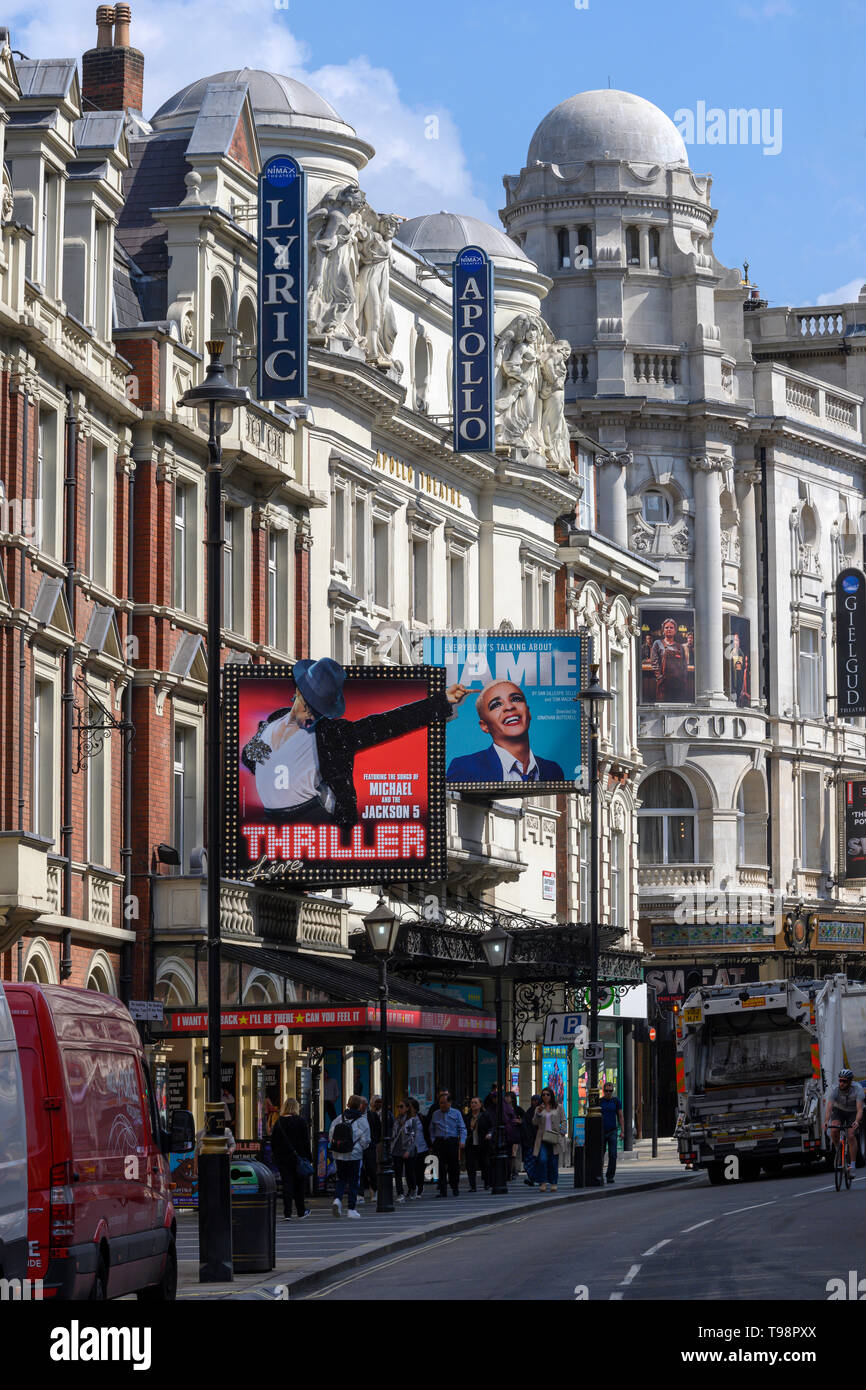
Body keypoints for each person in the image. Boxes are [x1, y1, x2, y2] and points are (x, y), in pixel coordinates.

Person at [241, 657, 468, 829]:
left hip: (309, 820)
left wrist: (441, 702)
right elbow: (249, 759)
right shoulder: (273, 720)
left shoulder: (330, 733)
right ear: (298, 692)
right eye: (309, 706)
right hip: (270, 822)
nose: (312, 716)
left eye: (320, 711)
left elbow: (387, 723)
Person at [446, 681, 566, 784]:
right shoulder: (465, 768)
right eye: (496, 705)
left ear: (528, 713)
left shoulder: (553, 770)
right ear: (485, 726)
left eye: (516, 699)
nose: (509, 707)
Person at [328, 1094, 370, 1219]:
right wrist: (361, 1148)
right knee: (353, 1181)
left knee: (341, 1179)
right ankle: (351, 1209)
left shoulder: (339, 1119)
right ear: (360, 1106)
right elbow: (366, 1140)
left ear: (347, 1105)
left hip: (339, 1154)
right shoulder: (362, 1121)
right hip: (354, 1154)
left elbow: (331, 1134)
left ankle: (337, 1199)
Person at [270, 1097, 312, 1220]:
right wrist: (308, 1158)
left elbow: (274, 1143)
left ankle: (287, 1213)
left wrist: (277, 1156)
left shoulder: (278, 1122)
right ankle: (301, 1211)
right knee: (299, 1185)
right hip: (299, 1158)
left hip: (283, 1159)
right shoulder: (301, 1121)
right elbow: (305, 1141)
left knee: (287, 1185)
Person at [824, 1067, 864, 1176]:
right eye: (840, 1080)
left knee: (851, 1135)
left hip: (853, 1112)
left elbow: (860, 1109)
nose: (841, 1083)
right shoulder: (835, 1089)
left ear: (850, 1082)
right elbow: (829, 1107)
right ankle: (838, 1152)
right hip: (839, 1111)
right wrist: (826, 1121)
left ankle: (853, 1165)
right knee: (834, 1128)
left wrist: (856, 1121)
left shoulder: (858, 1089)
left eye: (844, 1081)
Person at [429, 1091, 466, 1197]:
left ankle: (455, 1187)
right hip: (440, 1142)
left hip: (452, 1141)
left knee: (453, 1166)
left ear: (450, 1103)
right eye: (441, 1103)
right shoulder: (435, 1114)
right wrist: (433, 1140)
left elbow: (462, 1128)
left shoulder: (456, 1113)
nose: (443, 1105)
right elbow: (431, 1129)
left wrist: (462, 1141)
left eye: (444, 1103)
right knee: (440, 1167)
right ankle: (442, 1190)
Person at [532, 1086, 566, 1191]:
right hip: (542, 1138)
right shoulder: (538, 1108)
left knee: (553, 1162)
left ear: (551, 1096)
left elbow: (564, 1121)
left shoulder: (558, 1107)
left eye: (548, 1094)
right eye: (543, 1095)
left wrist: (562, 1131)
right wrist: (538, 1113)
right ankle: (543, 1182)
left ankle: (553, 1183)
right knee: (542, 1160)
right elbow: (534, 1122)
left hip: (554, 1137)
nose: (546, 1096)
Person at [649, 618, 691, 703]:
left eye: (671, 628)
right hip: (663, 683)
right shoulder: (657, 643)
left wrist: (684, 680)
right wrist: (659, 677)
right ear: (663, 630)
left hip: (678, 684)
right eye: (666, 627)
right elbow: (654, 662)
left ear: (675, 631)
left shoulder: (680, 647)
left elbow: (684, 666)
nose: (669, 629)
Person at [392, 1099, 423, 1201]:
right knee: (398, 1172)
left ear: (407, 1108)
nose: (399, 1109)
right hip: (397, 1149)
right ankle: (400, 1193)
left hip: (408, 1149)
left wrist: (408, 1150)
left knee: (410, 1172)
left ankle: (413, 1188)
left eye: (401, 1106)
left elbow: (414, 1137)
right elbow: (394, 1134)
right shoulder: (397, 1120)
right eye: (398, 1106)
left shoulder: (412, 1120)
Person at [464, 1097, 492, 1191]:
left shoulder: (485, 1115)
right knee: (470, 1165)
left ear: (480, 1104)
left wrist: (489, 1134)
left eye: (475, 1103)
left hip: (483, 1143)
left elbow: (491, 1127)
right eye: (472, 1103)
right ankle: (473, 1186)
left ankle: (487, 1183)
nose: (473, 1104)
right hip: (471, 1144)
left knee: (485, 1164)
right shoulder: (467, 1116)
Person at [600, 1082, 625, 1184]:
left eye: (610, 1091)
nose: (608, 1093)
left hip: (612, 1131)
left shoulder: (616, 1101)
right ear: (603, 1091)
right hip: (601, 1131)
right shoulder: (599, 1101)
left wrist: (622, 1131)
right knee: (600, 1154)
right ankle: (599, 1175)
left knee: (613, 1155)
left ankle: (610, 1176)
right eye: (606, 1091)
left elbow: (620, 1116)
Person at [407, 1098, 428, 1198]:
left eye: (409, 1107)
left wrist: (430, 1145)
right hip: (408, 1148)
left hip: (421, 1146)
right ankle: (411, 1187)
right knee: (409, 1169)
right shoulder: (404, 1118)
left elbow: (427, 1131)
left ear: (415, 1108)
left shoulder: (421, 1118)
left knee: (419, 1169)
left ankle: (420, 1186)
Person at [522, 1095, 541, 1186]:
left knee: (538, 1161)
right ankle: (532, 1178)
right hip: (529, 1141)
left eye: (536, 1100)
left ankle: (537, 1179)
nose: (534, 1102)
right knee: (529, 1161)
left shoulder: (541, 1111)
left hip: (539, 1140)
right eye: (533, 1100)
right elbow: (525, 1127)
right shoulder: (529, 1112)